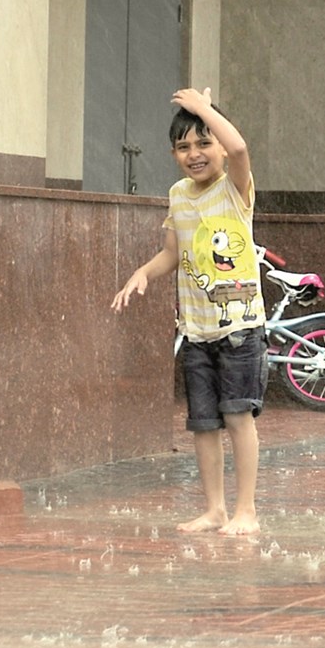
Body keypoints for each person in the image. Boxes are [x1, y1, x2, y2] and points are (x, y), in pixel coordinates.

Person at [112, 88, 266, 534]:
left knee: (237, 416)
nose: (194, 154)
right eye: (184, 147)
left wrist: (203, 109)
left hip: (239, 328)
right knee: (202, 423)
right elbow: (171, 253)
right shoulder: (179, 195)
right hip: (196, 329)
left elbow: (239, 147)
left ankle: (247, 511)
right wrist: (142, 273)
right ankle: (215, 508)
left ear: (218, 145)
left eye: (203, 143)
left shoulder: (235, 189)